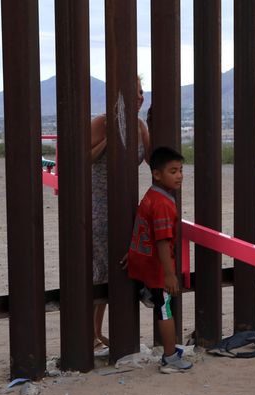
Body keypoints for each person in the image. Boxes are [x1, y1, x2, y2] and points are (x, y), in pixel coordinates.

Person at [90, 77, 151, 349]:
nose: (139, 96)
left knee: (118, 266)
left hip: (127, 204)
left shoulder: (140, 126)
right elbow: (84, 157)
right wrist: (111, 137)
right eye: (134, 91)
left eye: (141, 91)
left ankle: (101, 331)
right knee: (101, 267)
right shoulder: (100, 122)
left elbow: (152, 160)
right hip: (99, 205)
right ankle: (92, 333)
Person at [125, 146, 192, 373]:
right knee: (165, 310)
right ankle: (170, 358)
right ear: (157, 174)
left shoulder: (151, 196)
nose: (180, 175)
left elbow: (142, 228)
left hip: (141, 260)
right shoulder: (164, 204)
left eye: (181, 170)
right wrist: (170, 275)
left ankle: (148, 293)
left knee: (161, 304)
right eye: (173, 171)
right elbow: (163, 241)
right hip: (157, 268)